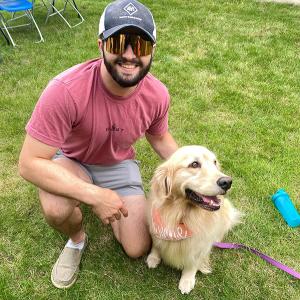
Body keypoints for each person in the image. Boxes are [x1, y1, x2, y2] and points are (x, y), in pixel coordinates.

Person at [18, 0, 178, 289]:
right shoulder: (65, 90)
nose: (130, 55)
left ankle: (110, 204)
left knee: (137, 247)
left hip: (119, 164)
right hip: (73, 160)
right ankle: (77, 240)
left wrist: (193, 176)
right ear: (101, 44)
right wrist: (94, 196)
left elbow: (159, 137)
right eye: (119, 43)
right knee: (56, 208)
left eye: (140, 46)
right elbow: (29, 164)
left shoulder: (157, 95)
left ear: (152, 51)